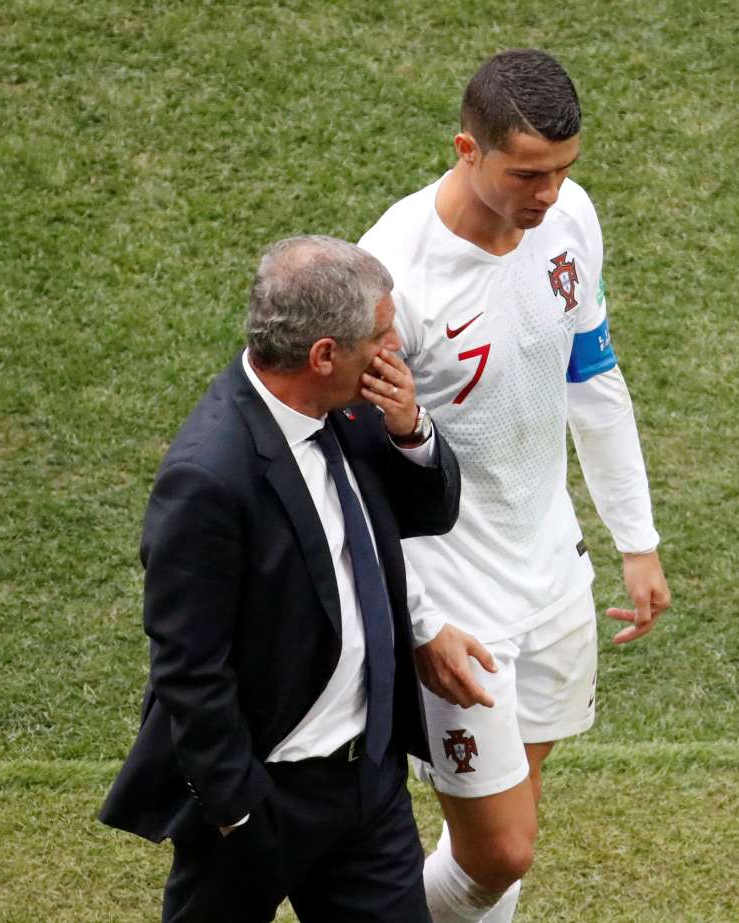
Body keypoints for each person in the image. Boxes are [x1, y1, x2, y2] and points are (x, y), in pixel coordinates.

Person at [358, 49, 672, 922]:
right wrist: (420, 620)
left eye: (564, 170)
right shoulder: (392, 275)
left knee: (505, 835)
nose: (549, 194)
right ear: (468, 149)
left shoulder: (570, 218)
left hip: (553, 571)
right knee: (500, 849)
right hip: (457, 592)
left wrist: (637, 540)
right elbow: (359, 477)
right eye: (528, 174)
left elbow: (592, 376)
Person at [99, 235, 493, 922]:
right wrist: (238, 810)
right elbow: (189, 670)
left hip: (368, 789)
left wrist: (410, 430)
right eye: (382, 332)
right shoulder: (208, 477)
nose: (396, 345)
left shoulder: (352, 406)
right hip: (262, 802)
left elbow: (425, 514)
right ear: (323, 356)